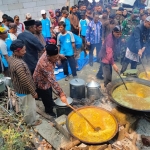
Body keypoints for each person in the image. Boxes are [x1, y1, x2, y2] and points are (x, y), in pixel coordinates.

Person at [8, 39, 41, 126]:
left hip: (19, 90)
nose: (25, 52)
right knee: (29, 108)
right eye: (23, 50)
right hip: (25, 91)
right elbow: (24, 80)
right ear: (16, 51)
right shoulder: (19, 64)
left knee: (25, 107)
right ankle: (31, 122)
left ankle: (28, 120)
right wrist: (33, 92)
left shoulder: (12, 59)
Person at [33, 44, 68, 117]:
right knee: (46, 96)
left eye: (57, 56)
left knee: (49, 91)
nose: (56, 59)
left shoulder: (49, 51)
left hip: (47, 79)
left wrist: (59, 56)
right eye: (54, 57)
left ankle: (51, 103)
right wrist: (61, 93)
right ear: (49, 56)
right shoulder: (44, 64)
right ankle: (49, 111)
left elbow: (56, 54)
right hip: (41, 80)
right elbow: (53, 81)